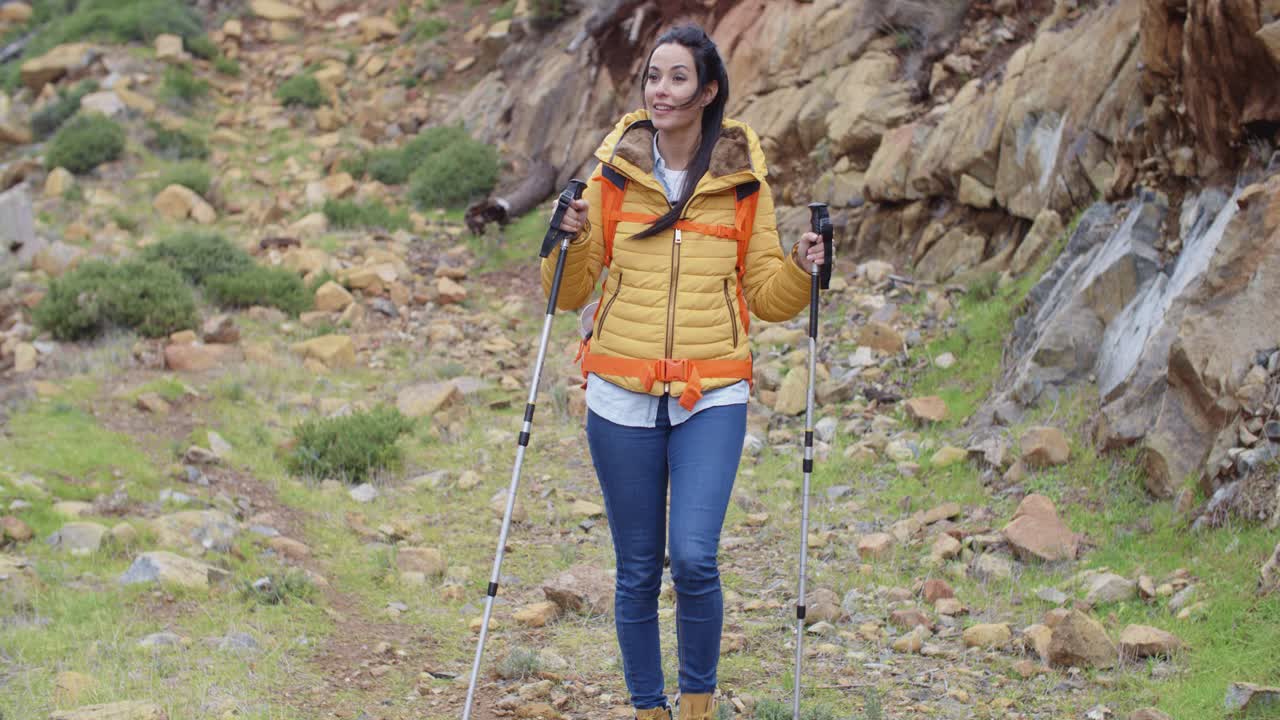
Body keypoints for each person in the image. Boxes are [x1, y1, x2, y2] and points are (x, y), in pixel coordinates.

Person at [540, 24, 825, 720]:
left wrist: (801, 271)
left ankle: (695, 706)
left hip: (712, 393)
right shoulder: (614, 173)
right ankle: (648, 709)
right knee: (637, 571)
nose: (660, 90)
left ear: (708, 90)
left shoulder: (741, 182)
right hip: (619, 394)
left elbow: (765, 295)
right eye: (653, 77)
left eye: (676, 78)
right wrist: (567, 237)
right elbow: (571, 292)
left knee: (694, 557)